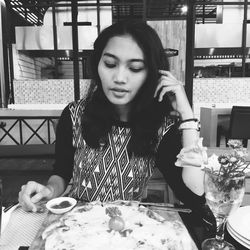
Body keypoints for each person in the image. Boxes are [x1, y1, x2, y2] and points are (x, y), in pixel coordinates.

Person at [18, 20, 206, 213]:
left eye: (134, 68)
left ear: (152, 74)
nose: (119, 78)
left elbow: (194, 197)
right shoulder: (75, 114)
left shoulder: (160, 125)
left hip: (127, 227)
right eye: (110, 64)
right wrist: (49, 190)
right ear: (97, 64)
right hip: (76, 225)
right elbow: (61, 172)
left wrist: (188, 117)